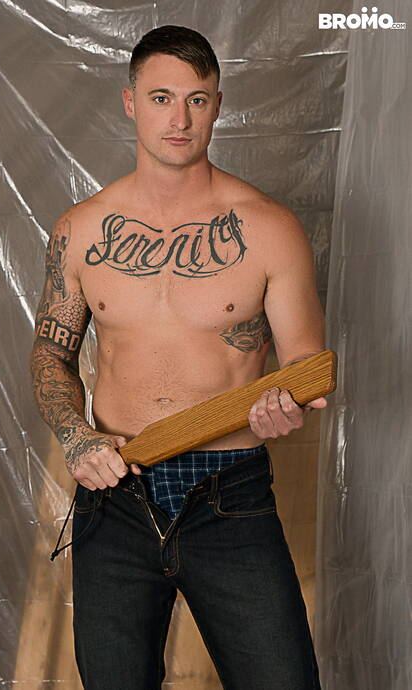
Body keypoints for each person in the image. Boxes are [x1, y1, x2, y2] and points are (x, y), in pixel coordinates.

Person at [30, 24, 327, 690]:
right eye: (162, 98)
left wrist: (287, 402)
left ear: (218, 105)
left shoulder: (269, 227)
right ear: (130, 101)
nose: (180, 119)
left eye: (197, 99)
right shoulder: (79, 229)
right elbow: (51, 352)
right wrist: (75, 436)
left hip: (228, 493)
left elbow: (305, 364)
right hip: (116, 492)